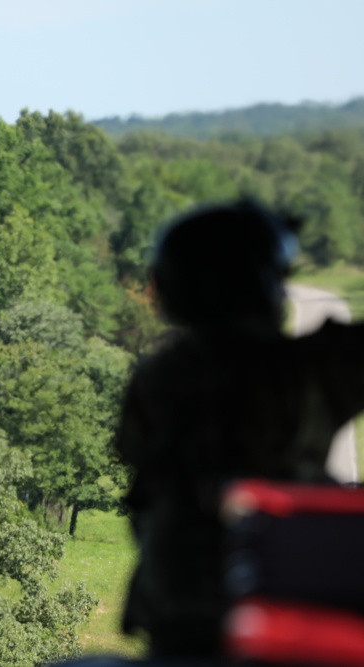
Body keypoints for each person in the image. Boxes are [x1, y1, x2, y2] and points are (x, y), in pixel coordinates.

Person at [114, 198, 364, 659]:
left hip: (178, 596)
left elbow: (137, 459)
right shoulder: (312, 368)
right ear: (264, 284)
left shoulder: (159, 377)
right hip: (291, 593)